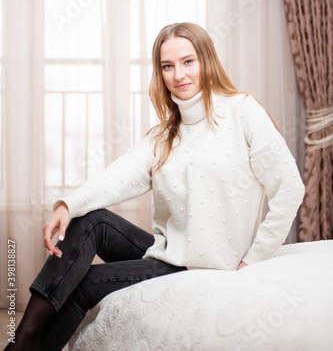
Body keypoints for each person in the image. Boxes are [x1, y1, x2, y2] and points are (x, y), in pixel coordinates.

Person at [5, 22, 305, 351]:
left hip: (203, 266)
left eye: (188, 61)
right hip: (169, 255)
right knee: (89, 219)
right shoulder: (162, 136)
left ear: (206, 60)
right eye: (167, 66)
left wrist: (254, 257)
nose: (179, 74)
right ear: (160, 72)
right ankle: (24, 341)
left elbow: (289, 187)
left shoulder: (242, 111)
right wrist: (66, 205)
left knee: (82, 283)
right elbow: (118, 176)